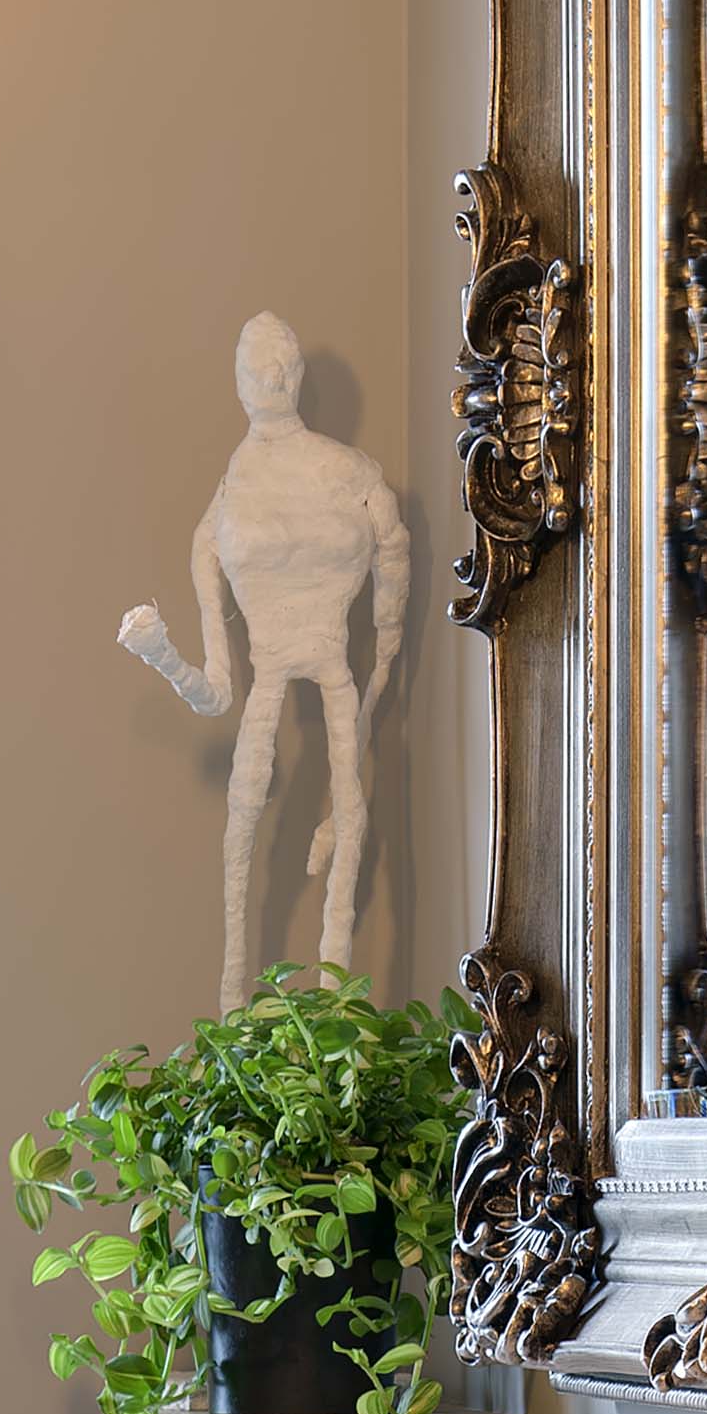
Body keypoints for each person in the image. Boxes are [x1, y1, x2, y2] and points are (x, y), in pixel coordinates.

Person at [120, 314, 409, 1009]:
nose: (272, 379)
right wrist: (159, 651)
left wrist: (366, 716)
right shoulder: (223, 513)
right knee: (242, 832)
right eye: (258, 367)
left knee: (350, 829)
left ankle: (342, 1040)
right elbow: (216, 693)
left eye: (282, 366)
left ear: (296, 376)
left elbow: (390, 617)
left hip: (338, 677)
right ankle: (234, 1030)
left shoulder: (352, 476)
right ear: (240, 383)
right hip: (272, 679)